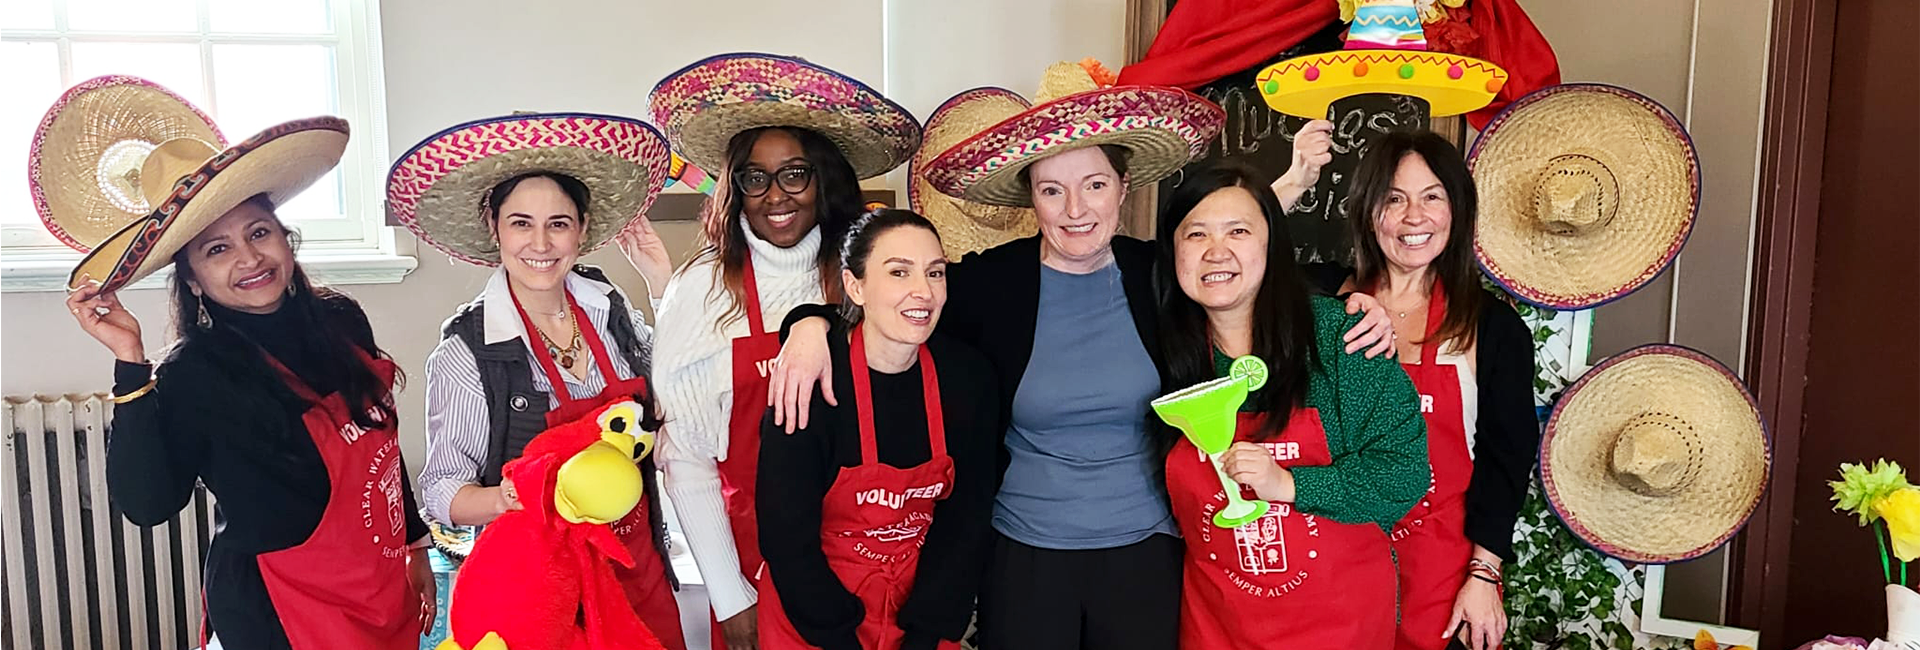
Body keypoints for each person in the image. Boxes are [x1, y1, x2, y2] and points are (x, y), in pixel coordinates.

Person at [771, 61, 1396, 649]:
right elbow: (905, 299)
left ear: (1122, 188)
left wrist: (1357, 300)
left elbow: (1237, 267)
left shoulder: (1157, 275)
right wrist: (810, 324)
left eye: (1094, 185)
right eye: (1052, 190)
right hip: (1022, 555)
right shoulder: (990, 286)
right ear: (1032, 199)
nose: (1075, 210)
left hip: (1147, 552)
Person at [64, 116, 434, 648]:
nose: (249, 258)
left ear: (286, 239)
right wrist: (130, 361)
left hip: (377, 582)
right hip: (276, 614)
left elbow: (381, 451)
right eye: (217, 249)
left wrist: (414, 544)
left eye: (258, 232)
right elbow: (147, 505)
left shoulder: (342, 322)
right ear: (193, 279)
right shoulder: (195, 372)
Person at [648, 52, 924, 650]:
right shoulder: (702, 289)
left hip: (870, 554)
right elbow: (687, 459)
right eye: (755, 178)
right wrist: (731, 597)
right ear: (735, 189)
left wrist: (819, 322)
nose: (775, 195)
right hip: (752, 561)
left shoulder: (866, 275)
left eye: (795, 174)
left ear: (824, 178)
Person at [391, 114, 688, 648]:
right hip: (539, 591)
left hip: (634, 565)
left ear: (582, 228)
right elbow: (440, 491)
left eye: (559, 223)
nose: (541, 243)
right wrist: (510, 497)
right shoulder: (466, 351)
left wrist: (661, 283)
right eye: (521, 223)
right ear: (494, 228)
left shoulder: (609, 308)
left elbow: (674, 389)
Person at [1284, 125, 1540, 650]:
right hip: (1328, 560)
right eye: (1394, 199)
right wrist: (1295, 179)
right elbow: (1234, 258)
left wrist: (1485, 574)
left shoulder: (1492, 327)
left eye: (1432, 198)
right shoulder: (1318, 299)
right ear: (1367, 211)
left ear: (1457, 211)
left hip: (1441, 574)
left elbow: (1506, 461)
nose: (1413, 217)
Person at [1156, 159, 1428, 648]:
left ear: (1272, 244)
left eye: (1238, 231)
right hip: (1219, 629)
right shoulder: (1160, 353)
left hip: (1339, 630)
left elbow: (1403, 473)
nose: (1216, 251)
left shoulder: (1341, 338)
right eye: (1195, 234)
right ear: (1173, 251)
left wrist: (1287, 484)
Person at [756, 209, 997, 650]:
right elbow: (786, 539)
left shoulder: (968, 379)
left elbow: (966, 521)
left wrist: (924, 632)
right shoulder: (811, 383)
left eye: (935, 272)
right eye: (899, 272)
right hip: (813, 619)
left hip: (916, 611)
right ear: (855, 286)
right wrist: (839, 637)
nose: (923, 291)